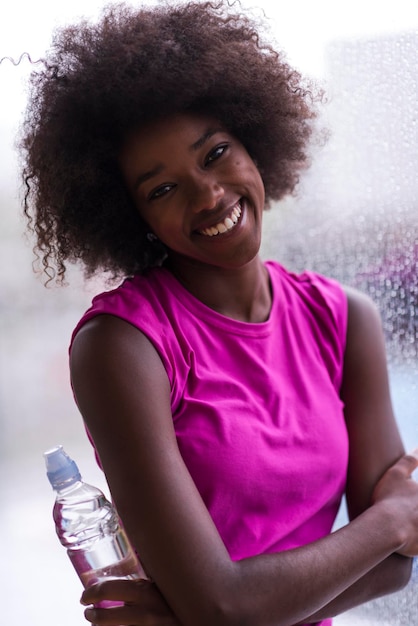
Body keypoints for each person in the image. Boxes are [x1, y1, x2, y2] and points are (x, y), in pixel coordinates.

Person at [20, 2, 418, 625]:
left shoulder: (345, 319)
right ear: (133, 216)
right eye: (162, 188)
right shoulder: (123, 345)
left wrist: (206, 616)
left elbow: (396, 567)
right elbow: (225, 604)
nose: (207, 195)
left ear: (256, 141)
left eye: (215, 153)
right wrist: (393, 518)